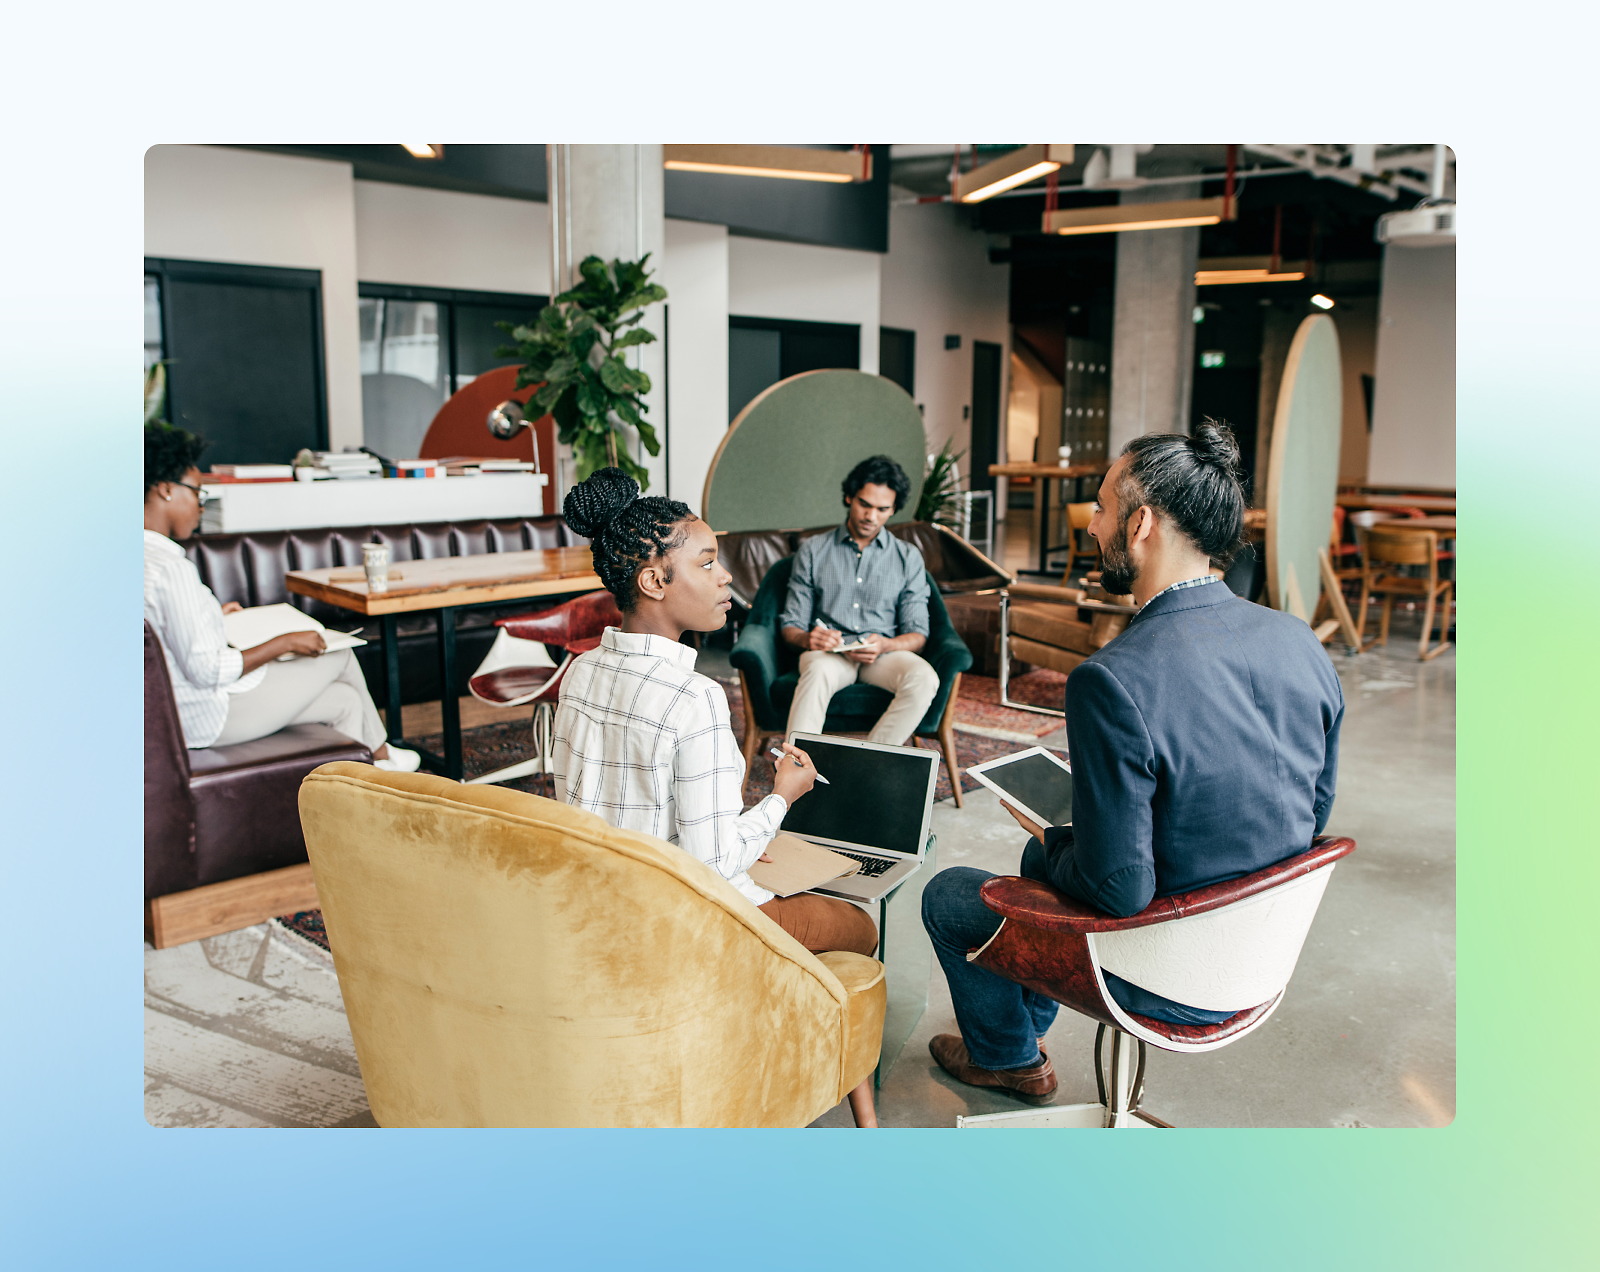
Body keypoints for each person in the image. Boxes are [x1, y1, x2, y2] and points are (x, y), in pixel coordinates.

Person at [920, 421, 1344, 1106]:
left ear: (1141, 523)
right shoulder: (1300, 642)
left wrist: (1055, 841)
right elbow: (1313, 814)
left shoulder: (1113, 678)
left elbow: (1121, 891)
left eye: (1102, 507)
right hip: (1259, 955)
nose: (1092, 525)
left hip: (1165, 969)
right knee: (1042, 865)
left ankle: (1005, 1057)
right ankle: (1020, 1044)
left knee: (949, 894)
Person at [551, 468, 881, 1126]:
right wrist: (782, 795)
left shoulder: (579, 673)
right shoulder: (694, 697)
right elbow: (713, 867)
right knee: (860, 929)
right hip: (682, 930)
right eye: (707, 562)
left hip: (593, 919)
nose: (727, 577)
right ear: (653, 581)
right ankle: (765, 1056)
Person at [143, 423, 418, 770]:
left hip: (176, 713)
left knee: (345, 701)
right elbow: (207, 670)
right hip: (207, 717)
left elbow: (168, 634)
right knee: (341, 653)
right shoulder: (171, 567)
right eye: (198, 493)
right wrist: (283, 643)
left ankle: (365, 792)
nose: (201, 506)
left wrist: (216, 617)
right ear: (167, 489)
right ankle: (383, 756)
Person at [779, 455, 939, 746]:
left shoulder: (908, 557)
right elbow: (791, 625)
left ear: (893, 510)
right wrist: (810, 639)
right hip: (830, 655)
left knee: (924, 678)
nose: (871, 516)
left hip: (883, 654)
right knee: (816, 672)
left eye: (882, 509)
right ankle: (795, 771)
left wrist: (886, 645)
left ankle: (868, 763)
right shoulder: (814, 551)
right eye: (865, 504)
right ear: (849, 497)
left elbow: (918, 633)